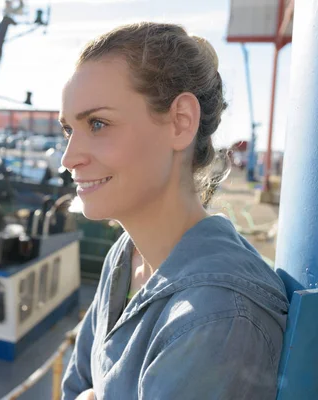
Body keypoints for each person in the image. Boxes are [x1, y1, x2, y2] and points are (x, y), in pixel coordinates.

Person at [59, 22, 289, 400]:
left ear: (181, 122)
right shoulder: (125, 256)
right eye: (69, 130)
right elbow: (76, 385)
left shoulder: (216, 317)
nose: (69, 158)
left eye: (98, 124)